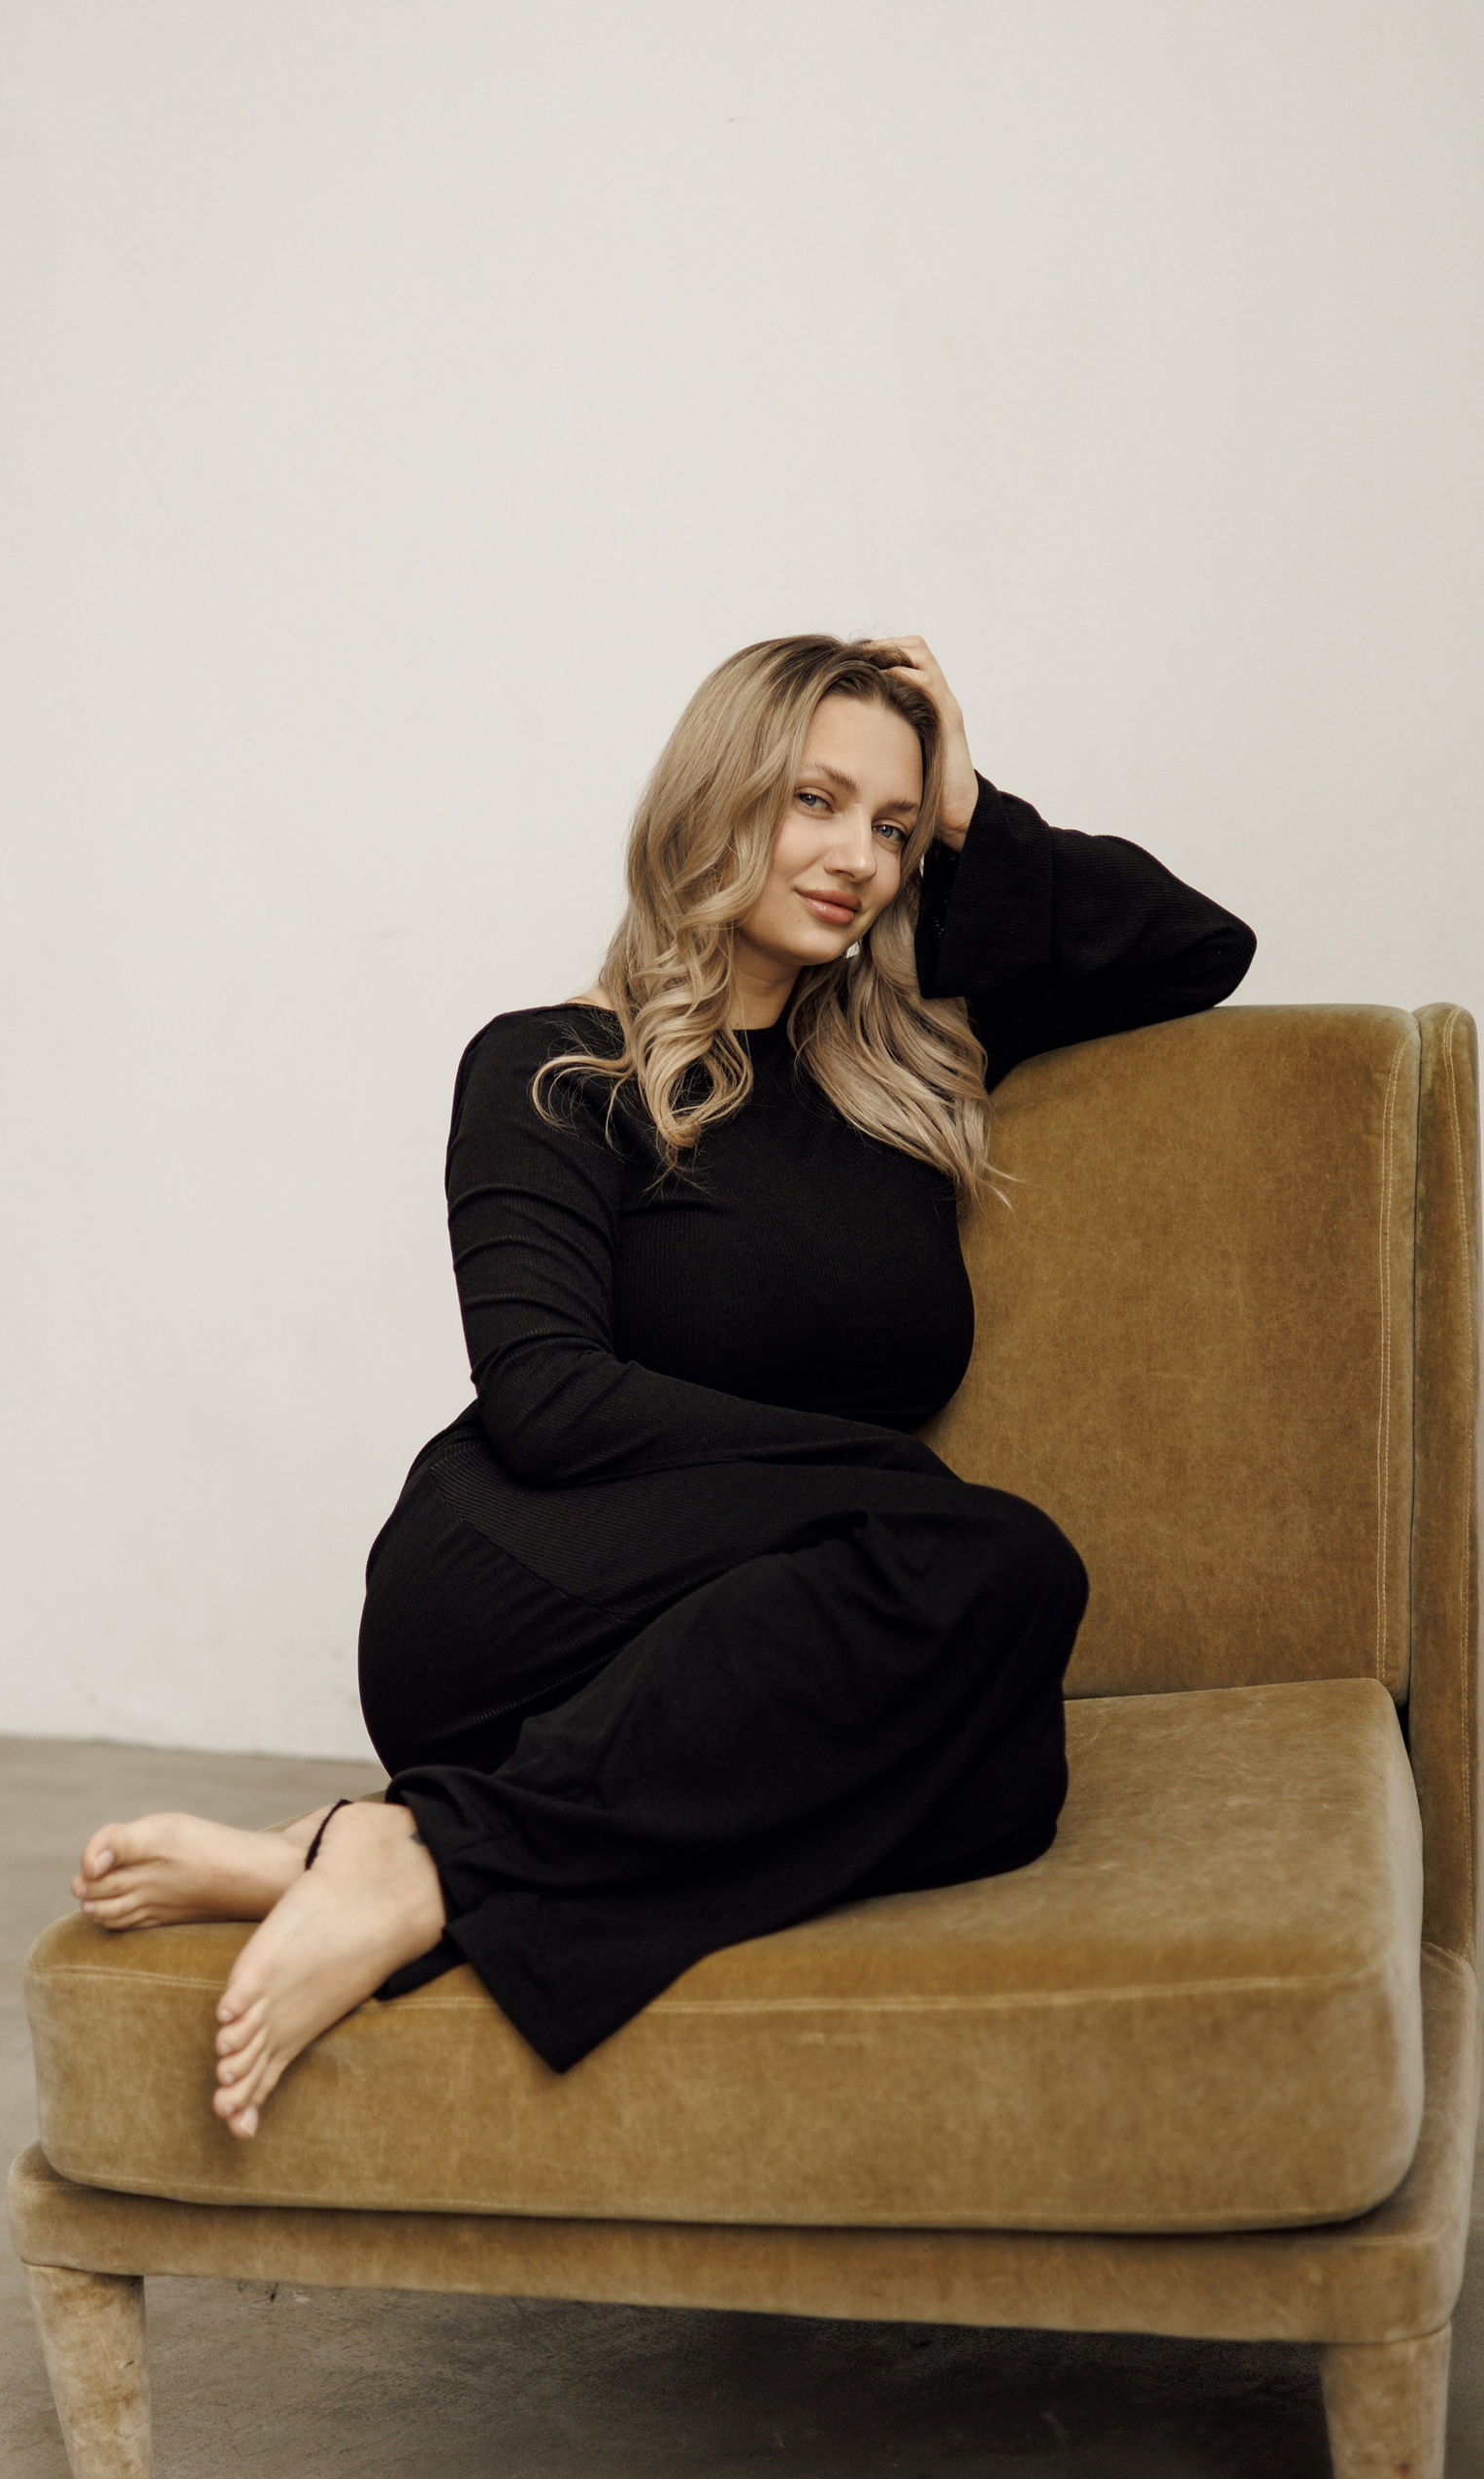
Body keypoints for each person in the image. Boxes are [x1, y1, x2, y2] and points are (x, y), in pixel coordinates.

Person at [69, 634, 1255, 2138]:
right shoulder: (553, 1070)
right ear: (717, 796)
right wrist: (888, 1493)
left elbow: (1198, 948)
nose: (858, 858)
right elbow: (548, 1398)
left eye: (893, 827)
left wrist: (968, 803)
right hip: (526, 1587)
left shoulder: (907, 1060)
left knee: (1009, 1788)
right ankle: (418, 1858)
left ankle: (397, 1854)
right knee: (1006, 1564)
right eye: (815, 800)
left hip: (755, 1634)